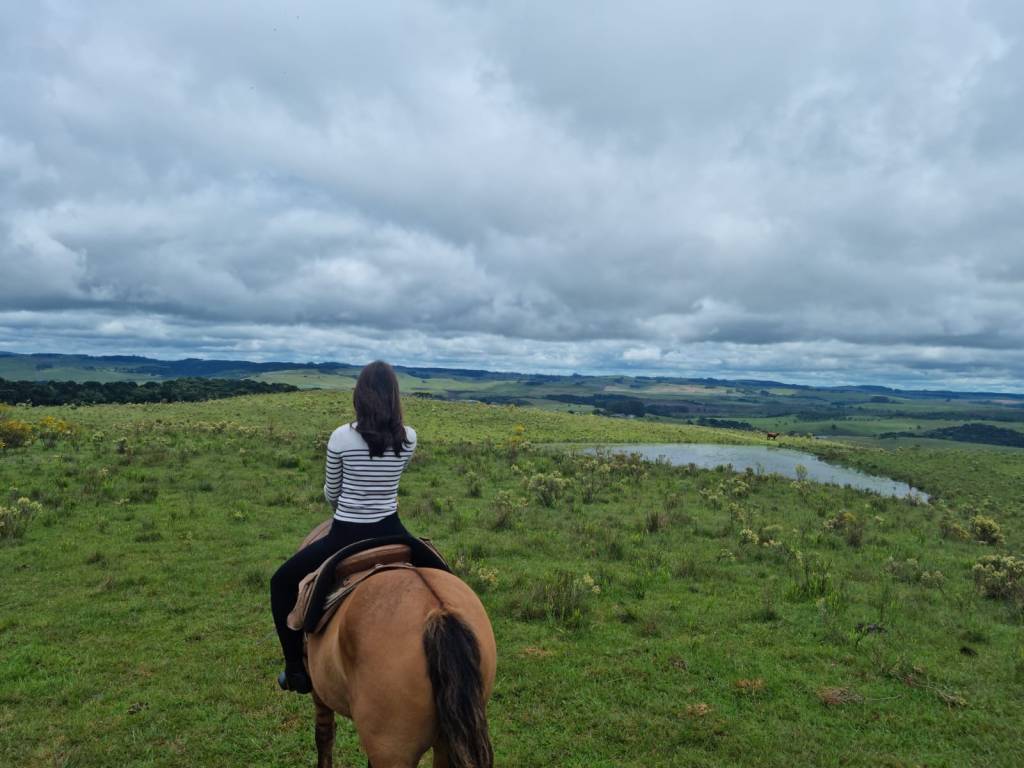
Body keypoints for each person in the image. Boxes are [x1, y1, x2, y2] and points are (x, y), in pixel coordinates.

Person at [270, 360, 417, 694]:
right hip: (392, 529)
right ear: (395, 396)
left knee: (280, 583)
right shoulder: (409, 437)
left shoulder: (340, 436)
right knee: (441, 572)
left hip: (345, 534)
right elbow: (393, 480)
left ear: (360, 395)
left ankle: (295, 670)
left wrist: (348, 504)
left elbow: (331, 492)